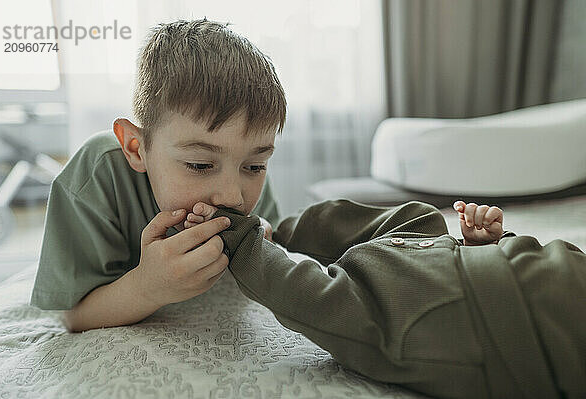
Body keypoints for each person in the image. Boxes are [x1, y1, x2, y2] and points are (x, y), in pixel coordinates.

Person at [29, 19, 286, 333]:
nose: (233, 197)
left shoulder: (240, 166)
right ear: (137, 148)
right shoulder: (97, 172)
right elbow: (73, 315)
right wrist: (147, 288)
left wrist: (262, 240)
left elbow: (272, 239)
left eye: (255, 166)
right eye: (201, 165)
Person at [183, 198, 586, 399]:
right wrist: (489, 245)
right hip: (484, 264)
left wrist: (238, 242)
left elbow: (313, 301)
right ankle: (281, 231)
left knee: (330, 302)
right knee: (420, 216)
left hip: (476, 321)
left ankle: (242, 237)